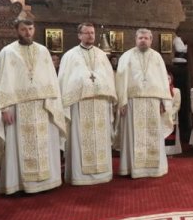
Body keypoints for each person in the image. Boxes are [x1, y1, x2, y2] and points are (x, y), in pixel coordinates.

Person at [0, 18, 66, 195]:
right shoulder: (7, 52)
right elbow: (3, 82)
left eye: (30, 29)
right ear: (17, 30)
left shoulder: (43, 51)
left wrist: (53, 105)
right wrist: (4, 108)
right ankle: (19, 184)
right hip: (17, 107)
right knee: (18, 146)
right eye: (24, 29)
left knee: (44, 143)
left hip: (42, 106)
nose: (28, 33)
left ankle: (48, 182)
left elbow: (51, 80)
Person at [58, 22, 117, 185]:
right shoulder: (70, 56)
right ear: (79, 35)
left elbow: (109, 78)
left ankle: (103, 173)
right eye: (87, 33)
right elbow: (64, 80)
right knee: (79, 137)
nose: (90, 35)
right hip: (79, 104)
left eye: (92, 33)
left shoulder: (101, 55)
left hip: (100, 104)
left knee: (100, 137)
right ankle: (79, 176)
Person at [114, 28, 172, 177]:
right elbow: (120, 80)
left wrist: (163, 102)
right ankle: (132, 168)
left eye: (146, 38)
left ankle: (154, 168)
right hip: (133, 102)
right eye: (140, 38)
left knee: (153, 134)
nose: (143, 40)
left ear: (151, 40)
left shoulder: (157, 57)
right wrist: (122, 101)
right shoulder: (126, 56)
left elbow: (163, 81)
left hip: (153, 102)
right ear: (135, 39)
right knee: (134, 134)